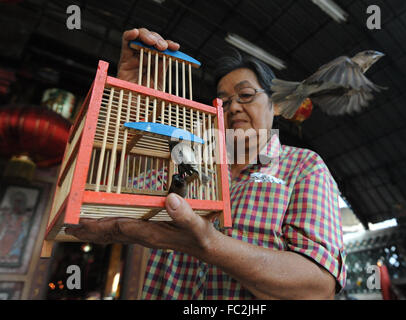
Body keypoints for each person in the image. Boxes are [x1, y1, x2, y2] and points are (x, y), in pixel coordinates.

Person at [66, 28, 346, 299]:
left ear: (275, 105)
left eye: (246, 95)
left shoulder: (303, 166)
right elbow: (89, 207)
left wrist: (207, 244)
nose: (233, 107)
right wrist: (132, 103)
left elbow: (318, 288)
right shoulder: (186, 162)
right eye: (222, 103)